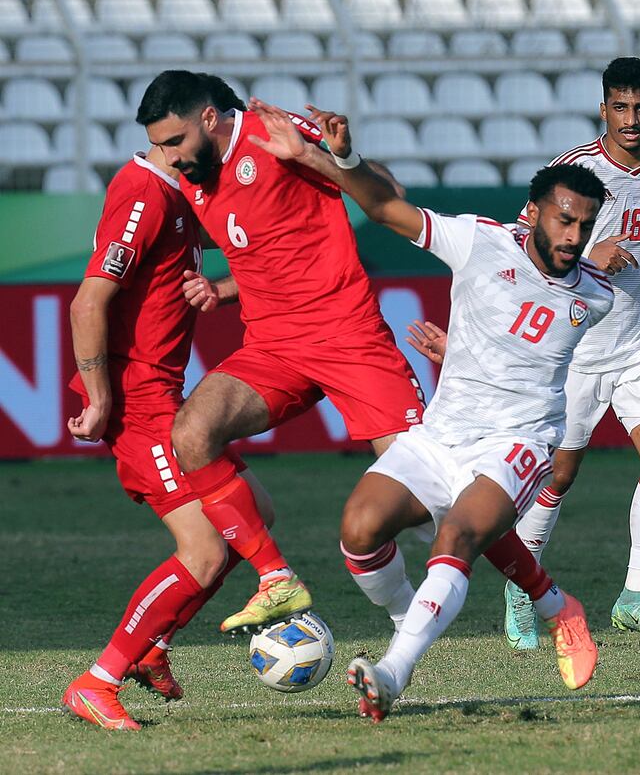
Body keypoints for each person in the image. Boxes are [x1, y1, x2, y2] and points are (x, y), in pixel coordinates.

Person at [247, 103, 615, 722]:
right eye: (563, 221)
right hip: (444, 431)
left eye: (584, 226)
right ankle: (538, 608)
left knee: (460, 535)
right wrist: (338, 158)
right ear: (532, 214)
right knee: (359, 531)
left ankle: (393, 671)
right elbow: (385, 209)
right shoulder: (477, 241)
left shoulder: (595, 297)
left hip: (518, 441)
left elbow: (536, 339)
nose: (574, 238)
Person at [412, 58, 640, 650]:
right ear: (603, 110)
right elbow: (524, 245)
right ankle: (521, 588)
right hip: (575, 345)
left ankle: (637, 598)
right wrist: (594, 255)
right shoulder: (574, 170)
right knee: (557, 474)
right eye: (621, 107)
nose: (632, 120)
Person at [135, 71, 426, 637]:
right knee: (192, 433)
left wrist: (330, 156)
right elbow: (272, 242)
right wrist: (223, 288)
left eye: (174, 142)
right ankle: (278, 578)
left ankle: (540, 593)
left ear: (209, 120)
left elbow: (389, 194)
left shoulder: (275, 134)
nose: (167, 157)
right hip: (273, 347)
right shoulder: (195, 172)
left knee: (424, 493)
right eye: (159, 146)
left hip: (347, 335)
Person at [61, 134, 275, 731]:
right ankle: (97, 681)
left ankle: (151, 648)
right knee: (207, 549)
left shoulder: (179, 192)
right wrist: (101, 396)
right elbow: (87, 304)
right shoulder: (143, 195)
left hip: (165, 399)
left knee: (254, 516)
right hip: (138, 405)